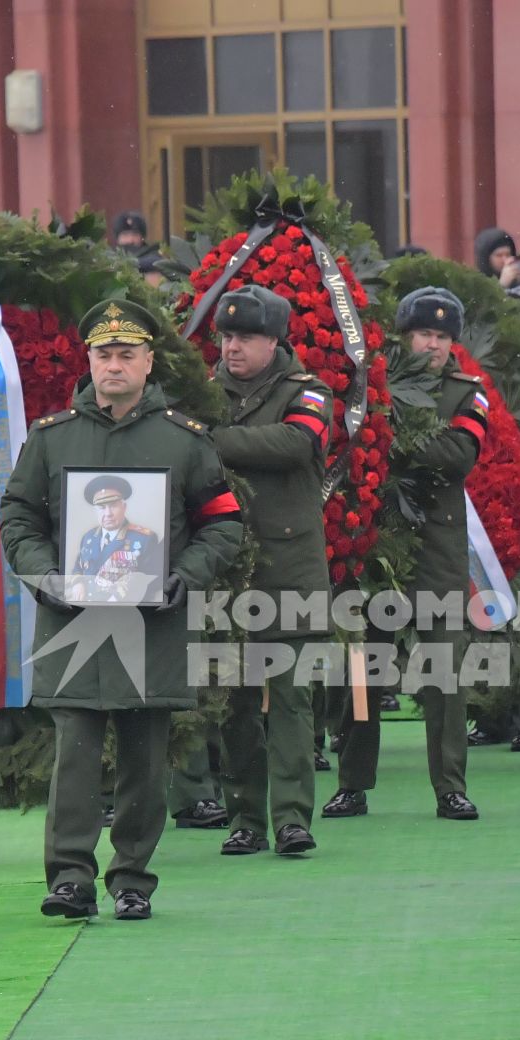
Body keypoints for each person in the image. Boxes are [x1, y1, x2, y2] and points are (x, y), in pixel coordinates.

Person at [1, 299, 245, 922]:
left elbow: (223, 526)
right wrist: (43, 575)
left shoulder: (184, 441)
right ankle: (70, 880)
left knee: (144, 763)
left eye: (127, 355)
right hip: (72, 619)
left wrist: (182, 578)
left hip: (153, 625)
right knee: (74, 759)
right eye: (104, 354)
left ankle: (132, 877)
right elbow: (18, 518)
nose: (115, 365)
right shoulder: (52, 438)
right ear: (89, 361)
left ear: (148, 362)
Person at [327, 287, 485, 821]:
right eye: (425, 334)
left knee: (444, 673)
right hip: (373, 543)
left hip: (436, 548)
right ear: (405, 336)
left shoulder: (467, 393)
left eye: (443, 337)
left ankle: (450, 787)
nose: (433, 346)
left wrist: (387, 435)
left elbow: (457, 456)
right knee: (364, 667)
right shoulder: (372, 384)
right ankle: (352, 782)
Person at [205, 284, 330, 857]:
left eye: (246, 337)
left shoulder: (309, 391)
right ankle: (246, 818)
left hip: (289, 568)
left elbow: (294, 443)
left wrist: (210, 439)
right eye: (227, 336)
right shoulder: (204, 394)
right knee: (232, 703)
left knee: (290, 701)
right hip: (224, 572)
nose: (233, 347)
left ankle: (292, 817)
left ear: (275, 340)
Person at [69, 475, 163, 604]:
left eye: (113, 506)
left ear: (124, 507)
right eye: (102, 508)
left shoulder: (144, 539)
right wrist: (78, 583)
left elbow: (148, 582)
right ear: (96, 511)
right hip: (88, 608)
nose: (108, 513)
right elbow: (78, 568)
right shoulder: (88, 537)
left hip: (123, 610)